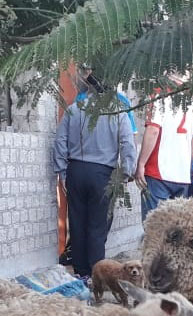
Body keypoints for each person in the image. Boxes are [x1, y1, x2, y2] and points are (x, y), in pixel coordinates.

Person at [52, 68, 137, 284]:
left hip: (76, 171)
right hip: (103, 174)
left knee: (77, 223)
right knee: (98, 226)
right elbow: (127, 144)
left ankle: (81, 272)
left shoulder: (74, 109)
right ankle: (96, 274)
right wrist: (126, 173)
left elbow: (60, 141)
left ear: (89, 87)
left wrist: (62, 171)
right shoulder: (118, 111)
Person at [134, 97, 193, 220]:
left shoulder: (159, 99)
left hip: (158, 173)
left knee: (154, 225)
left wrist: (141, 164)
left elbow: (153, 130)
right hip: (182, 176)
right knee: (176, 226)